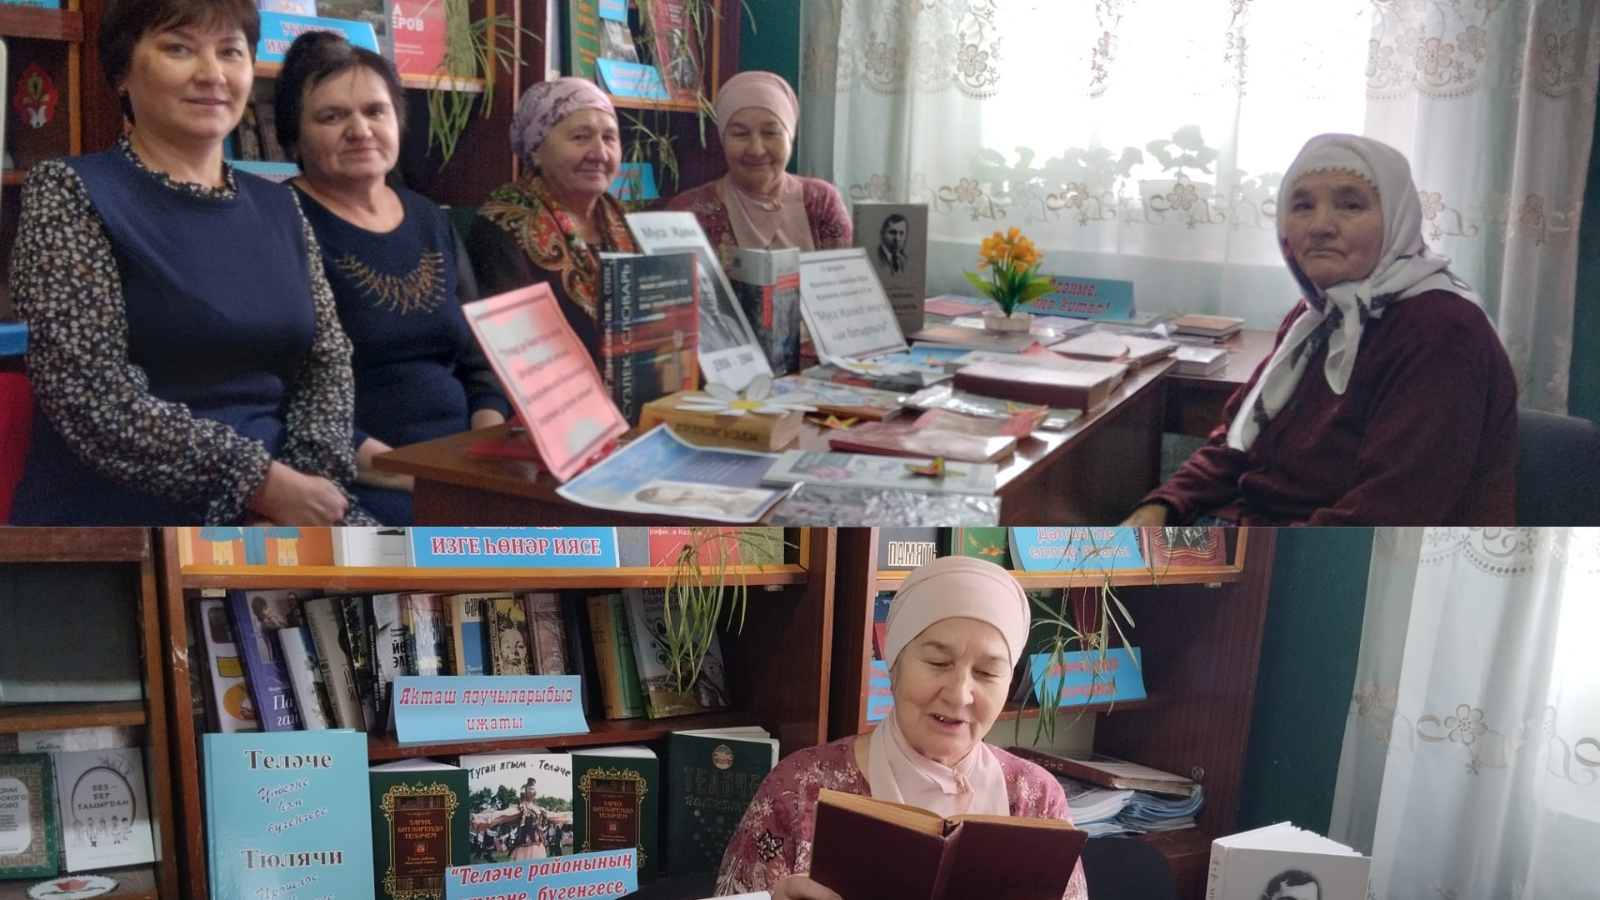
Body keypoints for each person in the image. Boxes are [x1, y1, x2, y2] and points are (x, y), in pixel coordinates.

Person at [6, 0, 364, 526]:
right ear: (122, 72)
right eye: (179, 49)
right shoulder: (69, 191)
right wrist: (260, 486)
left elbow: (327, 363)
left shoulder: (281, 205)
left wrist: (307, 485)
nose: (212, 74)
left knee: (448, 565)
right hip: (128, 524)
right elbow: (92, 399)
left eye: (230, 52)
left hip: (290, 504)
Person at [1124, 133, 1517, 526]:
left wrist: (1216, 553)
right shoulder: (1318, 314)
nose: (1320, 226)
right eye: (1302, 206)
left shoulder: (1443, 332)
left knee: (1096, 561)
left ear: (1399, 219)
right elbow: (1236, 443)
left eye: (1350, 205)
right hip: (1251, 532)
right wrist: (1161, 506)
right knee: (1094, 555)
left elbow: (1386, 517)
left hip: (1324, 556)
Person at [716, 556, 1089, 899]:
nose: (960, 694)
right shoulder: (798, 787)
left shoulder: (1036, 800)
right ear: (893, 667)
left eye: (987, 672)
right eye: (938, 663)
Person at [273, 32, 509, 525]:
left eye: (375, 111)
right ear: (293, 137)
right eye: (332, 117)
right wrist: (427, 478)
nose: (360, 130)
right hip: (355, 479)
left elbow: (481, 363)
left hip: (465, 467)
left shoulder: (429, 218)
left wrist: (482, 456)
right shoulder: (276, 223)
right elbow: (283, 397)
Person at [465, 78, 638, 366]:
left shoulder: (627, 220)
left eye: (609, 138)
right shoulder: (503, 225)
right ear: (536, 149)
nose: (600, 154)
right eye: (580, 137)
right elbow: (515, 348)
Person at [665, 70, 852, 263]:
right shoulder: (686, 213)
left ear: (790, 138)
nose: (756, 150)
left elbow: (842, 277)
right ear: (723, 140)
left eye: (770, 133)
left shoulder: (821, 202)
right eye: (740, 134)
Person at [471, 778, 571, 861]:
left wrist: (569, 816)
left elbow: (554, 815)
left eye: (534, 789)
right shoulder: (521, 808)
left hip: (539, 847)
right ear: (524, 793)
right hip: (525, 848)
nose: (534, 791)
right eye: (531, 789)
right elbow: (503, 815)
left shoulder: (539, 809)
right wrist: (481, 818)